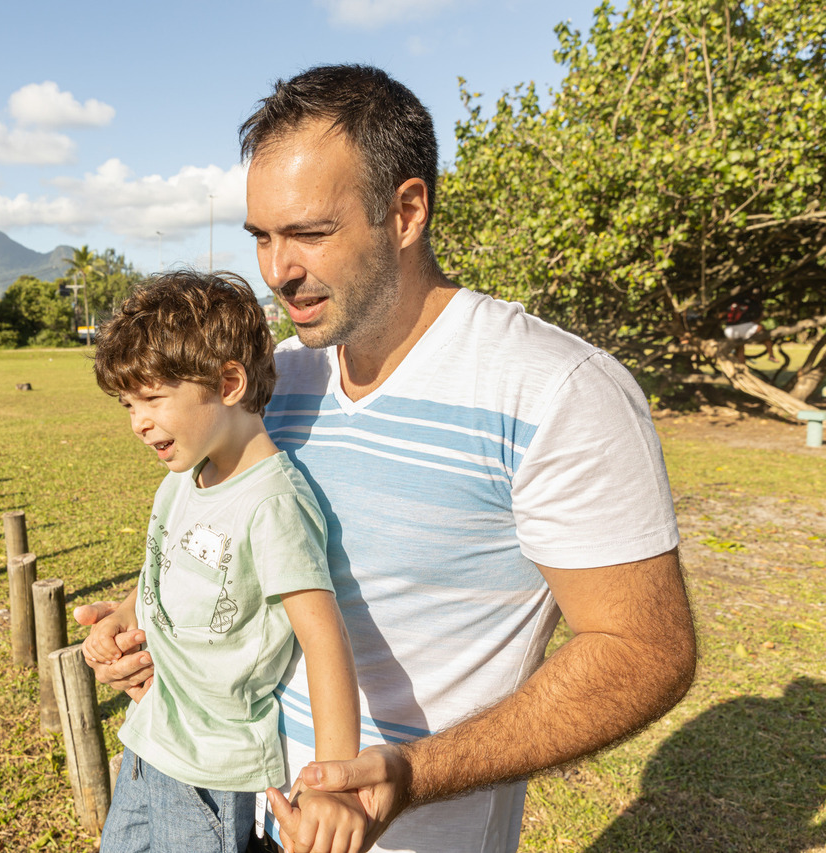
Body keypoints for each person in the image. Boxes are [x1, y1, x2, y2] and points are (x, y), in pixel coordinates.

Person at [76, 64, 696, 853]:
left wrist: (411, 773)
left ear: (406, 211)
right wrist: (148, 630)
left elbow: (645, 650)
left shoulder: (557, 391)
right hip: (230, 812)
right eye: (262, 237)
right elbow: (243, 557)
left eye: (308, 232)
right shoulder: (272, 381)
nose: (276, 269)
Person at [86, 270, 366, 853]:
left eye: (153, 398)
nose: (137, 423)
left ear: (229, 381)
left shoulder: (273, 504)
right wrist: (122, 619)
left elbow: (325, 641)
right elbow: (159, 571)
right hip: (149, 737)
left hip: (209, 768)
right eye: (128, 403)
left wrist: (335, 784)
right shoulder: (183, 481)